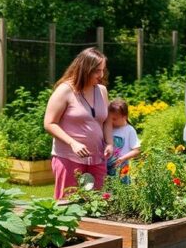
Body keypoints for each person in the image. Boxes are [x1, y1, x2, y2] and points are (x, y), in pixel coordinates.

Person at [44, 47, 113, 199]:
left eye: (103, 70)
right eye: (97, 71)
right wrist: (73, 143)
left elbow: (107, 119)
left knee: (97, 203)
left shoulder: (101, 90)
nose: (101, 75)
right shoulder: (65, 90)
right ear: (84, 69)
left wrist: (109, 142)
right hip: (69, 158)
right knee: (67, 205)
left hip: (97, 158)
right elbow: (49, 123)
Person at [106, 99, 141, 181]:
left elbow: (136, 150)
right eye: (110, 118)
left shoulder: (129, 130)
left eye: (114, 119)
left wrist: (123, 158)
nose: (111, 121)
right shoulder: (108, 128)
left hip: (122, 167)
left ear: (124, 117)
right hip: (107, 167)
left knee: (122, 189)